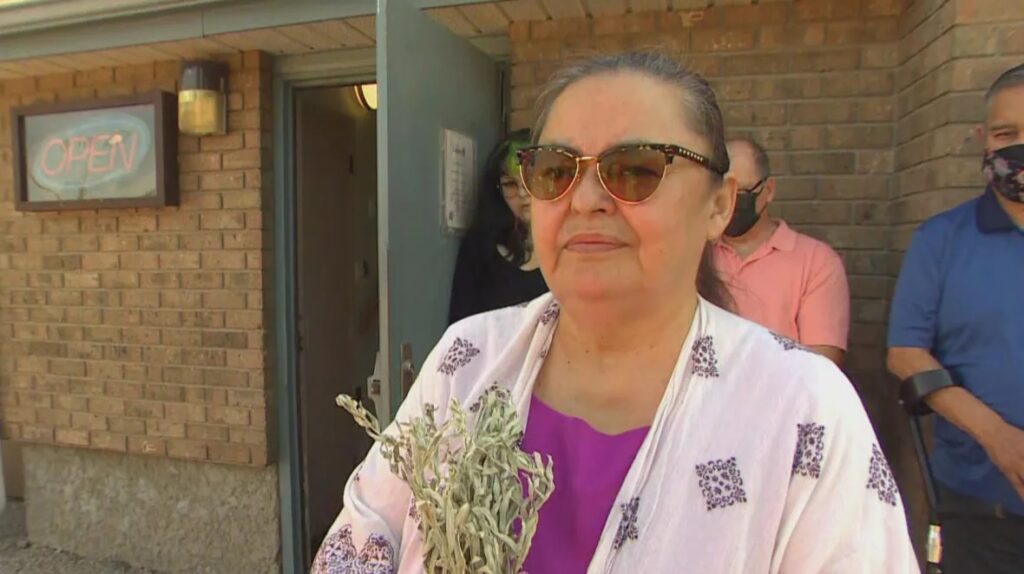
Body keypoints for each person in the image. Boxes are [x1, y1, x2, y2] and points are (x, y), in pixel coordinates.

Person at [313, 52, 916, 574]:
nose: (586, 200)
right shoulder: (468, 358)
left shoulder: (802, 405)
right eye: (555, 170)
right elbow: (368, 527)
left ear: (719, 206)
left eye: (636, 169)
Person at [888, 63, 1024, 574]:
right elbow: (905, 354)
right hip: (980, 503)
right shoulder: (941, 240)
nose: (1018, 147)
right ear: (983, 139)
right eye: (1006, 134)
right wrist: (999, 437)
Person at [712, 138, 850, 365]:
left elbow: (820, 369)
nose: (730, 203)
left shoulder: (817, 263)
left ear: (768, 190)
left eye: (741, 193)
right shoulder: (696, 254)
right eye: (722, 193)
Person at [447, 130, 548, 324]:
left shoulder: (570, 243)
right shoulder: (479, 247)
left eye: (530, 179)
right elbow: (461, 325)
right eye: (510, 184)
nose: (522, 192)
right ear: (497, 190)